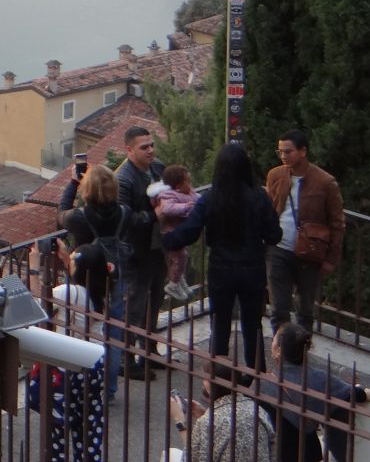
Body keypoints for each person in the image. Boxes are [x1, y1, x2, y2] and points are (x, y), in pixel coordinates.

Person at [162, 144, 282, 370]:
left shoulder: (209, 199)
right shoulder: (259, 196)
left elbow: (189, 232)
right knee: (252, 326)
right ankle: (256, 380)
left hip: (221, 268)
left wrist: (163, 240)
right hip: (252, 268)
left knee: (220, 326)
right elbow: (274, 234)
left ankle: (219, 381)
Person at [27, 241, 111, 462]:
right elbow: (83, 278)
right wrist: (66, 258)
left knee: (58, 430)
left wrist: (33, 265)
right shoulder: (102, 286)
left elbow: (37, 301)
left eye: (74, 259)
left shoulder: (68, 292)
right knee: (89, 432)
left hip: (69, 365)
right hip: (96, 364)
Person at [257, 321, 370, 462]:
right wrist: (367, 394)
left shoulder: (263, 384)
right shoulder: (319, 378)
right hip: (308, 459)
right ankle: (342, 455)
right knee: (337, 405)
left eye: (274, 340)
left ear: (278, 350)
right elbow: (350, 394)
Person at [266, 129, 345, 332]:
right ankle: (280, 351)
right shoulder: (275, 175)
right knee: (279, 308)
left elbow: (337, 222)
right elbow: (269, 209)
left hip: (310, 252)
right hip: (279, 249)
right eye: (280, 151)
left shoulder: (325, 182)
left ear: (303, 151)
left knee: (305, 309)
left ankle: (300, 351)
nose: (283, 156)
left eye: (288, 151)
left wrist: (331, 258)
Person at [60, 164, 128, 394]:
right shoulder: (123, 212)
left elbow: (61, 214)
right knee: (114, 332)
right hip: (114, 274)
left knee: (82, 329)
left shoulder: (79, 217)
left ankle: (82, 385)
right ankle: (108, 389)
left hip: (85, 276)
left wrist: (72, 184)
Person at [115, 126, 167, 378]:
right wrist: (153, 215)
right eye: (144, 147)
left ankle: (149, 350)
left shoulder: (159, 169)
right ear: (129, 149)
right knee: (134, 306)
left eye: (151, 145)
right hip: (135, 252)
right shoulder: (123, 179)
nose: (150, 150)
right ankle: (127, 360)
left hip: (158, 247)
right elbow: (123, 219)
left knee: (155, 300)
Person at [151, 164, 199, 302]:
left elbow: (196, 198)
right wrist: (185, 207)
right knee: (179, 258)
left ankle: (179, 280)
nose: (190, 185)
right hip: (170, 234)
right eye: (187, 182)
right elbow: (167, 208)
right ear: (178, 186)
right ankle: (173, 284)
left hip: (180, 234)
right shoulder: (168, 195)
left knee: (182, 258)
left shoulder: (187, 192)